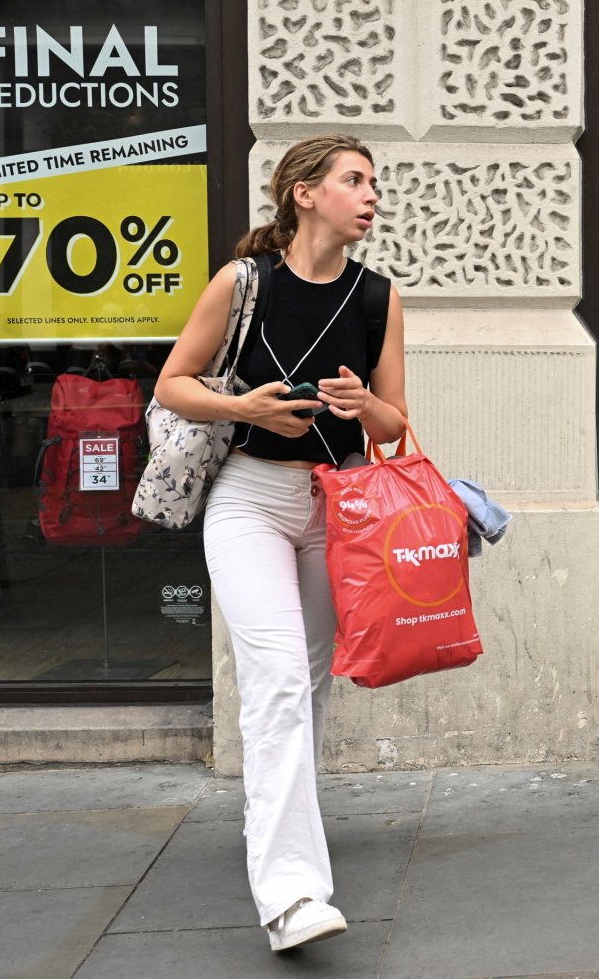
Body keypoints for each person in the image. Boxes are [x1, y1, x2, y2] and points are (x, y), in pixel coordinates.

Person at [155, 134, 407, 950]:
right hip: (250, 502)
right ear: (304, 192)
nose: (371, 195)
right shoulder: (243, 283)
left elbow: (397, 426)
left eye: (374, 182)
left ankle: (274, 823)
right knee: (276, 680)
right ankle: (294, 896)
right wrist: (249, 411)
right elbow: (172, 384)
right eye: (354, 180)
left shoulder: (377, 297)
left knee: (307, 686)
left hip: (336, 509)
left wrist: (359, 402)